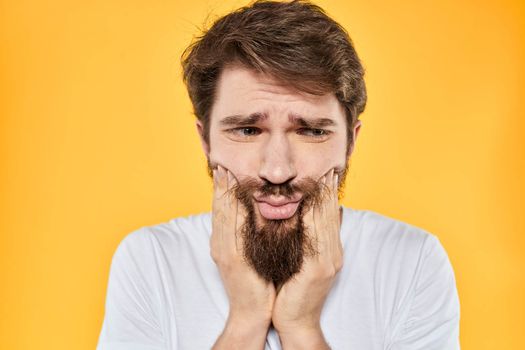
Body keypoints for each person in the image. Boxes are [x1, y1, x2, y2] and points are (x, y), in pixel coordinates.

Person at [96, 1, 460, 349]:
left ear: (350, 142)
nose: (277, 170)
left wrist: (301, 328)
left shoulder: (412, 261)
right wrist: (246, 319)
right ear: (205, 140)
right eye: (247, 131)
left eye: (313, 131)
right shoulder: (151, 259)